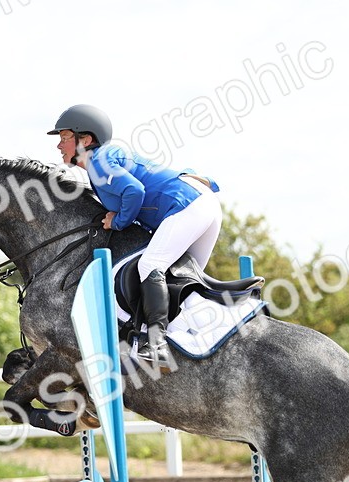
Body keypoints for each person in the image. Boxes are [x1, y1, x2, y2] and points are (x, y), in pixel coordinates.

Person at [48, 104, 222, 368]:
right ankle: (191, 337)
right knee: (180, 280)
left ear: (85, 140)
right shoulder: (104, 159)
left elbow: (134, 191)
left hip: (187, 205)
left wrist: (117, 221)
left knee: (151, 266)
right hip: (200, 204)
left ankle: (157, 345)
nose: (59, 146)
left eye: (64, 138)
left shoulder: (97, 161)